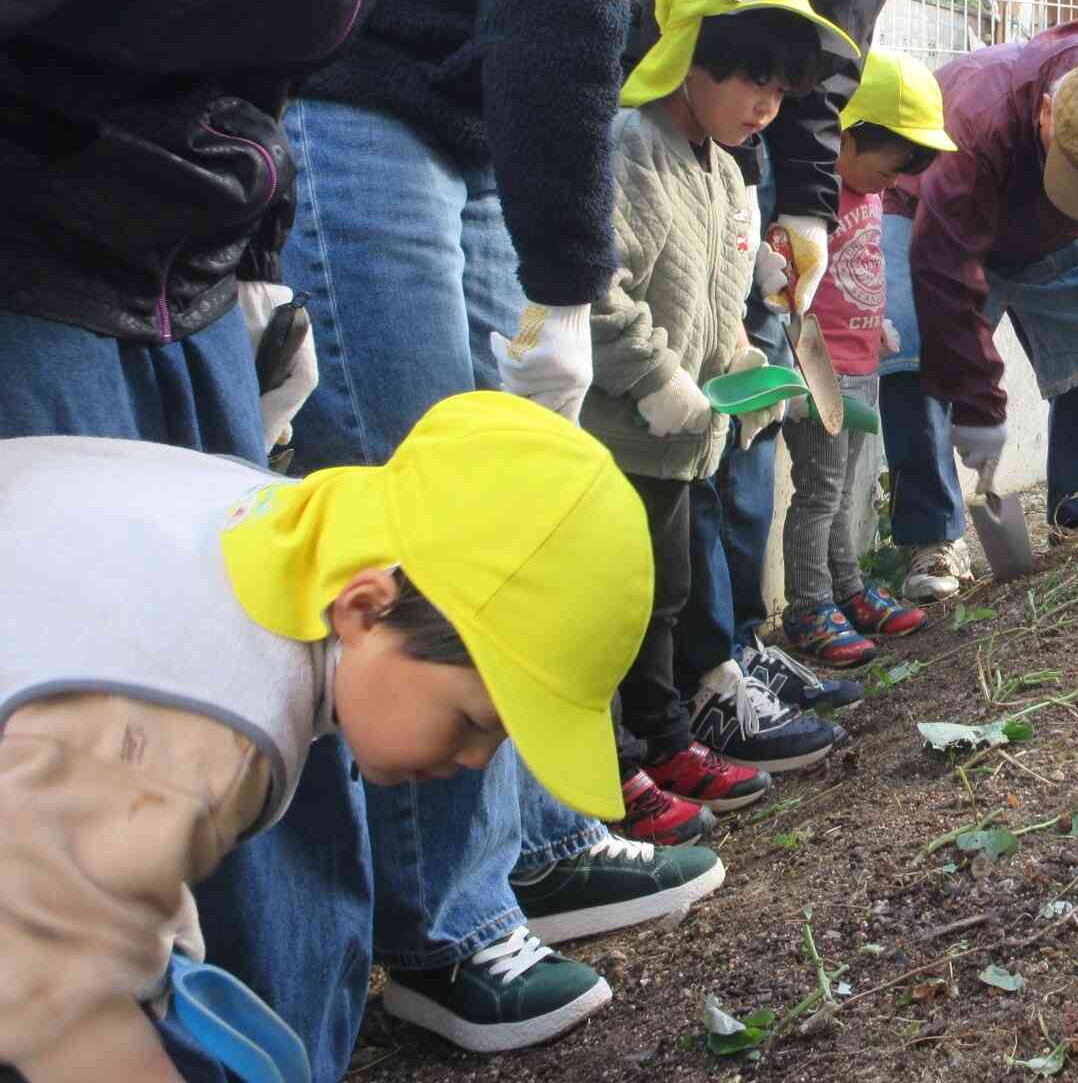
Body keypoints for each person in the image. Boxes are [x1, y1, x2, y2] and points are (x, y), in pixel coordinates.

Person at [0, 0, 776, 1072]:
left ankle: (287, 1041)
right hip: (33, 259)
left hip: (169, 261)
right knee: (114, 763)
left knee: (254, 751)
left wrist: (256, 261)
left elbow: (241, 51)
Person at [268, 0, 900, 1055]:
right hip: (364, 113)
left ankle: (534, 843)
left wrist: (546, 262)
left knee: (505, 525)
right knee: (434, 531)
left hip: (470, 126)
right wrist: (568, 284)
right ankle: (442, 924)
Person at [0, 391, 722, 1083]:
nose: (475, 759)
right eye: (473, 722)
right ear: (367, 610)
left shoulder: (266, 522)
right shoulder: (207, 739)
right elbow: (45, 990)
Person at [641, 0, 1078, 607]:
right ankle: (716, 644)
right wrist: (712, 176)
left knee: (753, 404)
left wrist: (807, 212)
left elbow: (821, 75)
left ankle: (735, 638)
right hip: (687, 156)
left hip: (743, 168)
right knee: (710, 410)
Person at [586, 0, 860, 841]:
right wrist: (658, 380)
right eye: (750, 78)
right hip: (619, 438)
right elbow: (592, 290)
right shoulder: (632, 150)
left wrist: (742, 358)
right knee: (617, 608)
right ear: (686, 57)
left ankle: (665, 743)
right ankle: (616, 766)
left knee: (665, 596)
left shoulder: (729, 172)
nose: (766, 105)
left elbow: (720, 298)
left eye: (780, 88)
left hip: (681, 443)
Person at [881, 19, 1078, 560]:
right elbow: (944, 274)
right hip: (929, 219)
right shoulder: (975, 120)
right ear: (1047, 112)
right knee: (916, 355)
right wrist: (978, 406)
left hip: (1046, 231)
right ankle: (932, 540)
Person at [779, 50, 954, 663]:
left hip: (861, 366)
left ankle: (847, 591)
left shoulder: (871, 194)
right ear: (848, 137)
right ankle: (809, 608)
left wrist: (874, 323)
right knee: (819, 494)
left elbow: (854, 270)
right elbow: (788, 287)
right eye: (892, 165)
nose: (897, 181)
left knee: (846, 488)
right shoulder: (813, 196)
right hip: (818, 369)